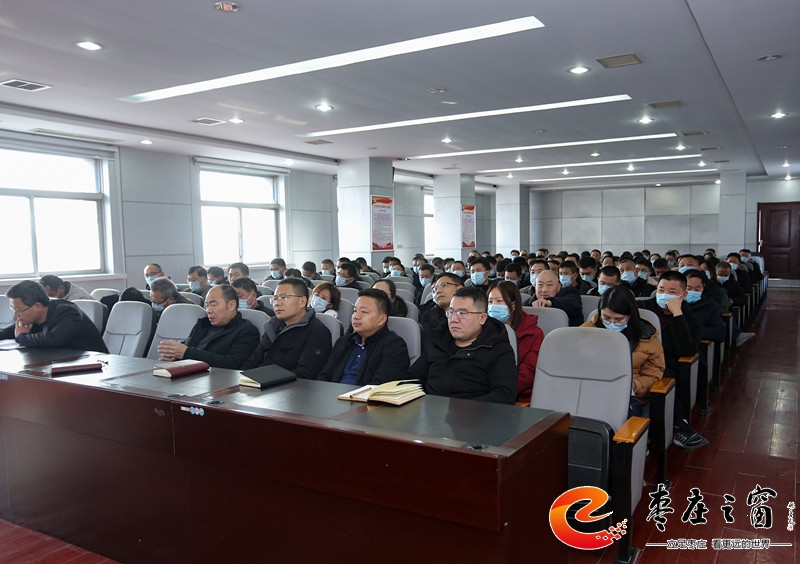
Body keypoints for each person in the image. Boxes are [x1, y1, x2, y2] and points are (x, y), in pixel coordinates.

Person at [406, 286, 517, 404]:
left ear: (482, 318)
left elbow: (504, 394)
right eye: (451, 312)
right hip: (429, 408)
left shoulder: (497, 348)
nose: (454, 319)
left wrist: (462, 408)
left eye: (461, 313)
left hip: (473, 411)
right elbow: (412, 379)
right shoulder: (437, 341)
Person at [641, 271, 707, 449]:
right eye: (661, 290)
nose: (664, 295)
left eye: (671, 292)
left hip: (668, 364)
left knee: (664, 375)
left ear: (683, 295)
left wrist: (677, 314)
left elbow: (686, 350)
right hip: (639, 360)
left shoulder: (690, 318)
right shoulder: (643, 309)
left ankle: (677, 425)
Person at [582, 286, 665, 416]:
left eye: (619, 319)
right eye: (606, 318)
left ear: (630, 315)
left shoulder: (647, 337)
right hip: (590, 390)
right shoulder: (585, 331)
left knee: (611, 414)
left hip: (628, 396)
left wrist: (634, 386)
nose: (612, 323)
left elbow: (654, 374)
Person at [241, 278, 332, 377]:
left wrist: (264, 379)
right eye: (275, 298)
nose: (277, 303)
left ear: (302, 301)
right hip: (262, 382)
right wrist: (242, 378)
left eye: (284, 297)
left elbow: (305, 375)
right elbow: (252, 361)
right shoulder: (272, 326)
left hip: (291, 385)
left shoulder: (318, 332)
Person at [317, 289, 409, 386]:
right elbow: (324, 376)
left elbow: (380, 386)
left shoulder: (394, 346)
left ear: (382, 320)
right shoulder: (343, 342)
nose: (356, 316)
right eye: (355, 311)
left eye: (364, 312)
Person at [156, 284, 260, 369]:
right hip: (189, 374)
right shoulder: (203, 324)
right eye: (207, 305)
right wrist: (175, 357)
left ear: (232, 305)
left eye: (213, 305)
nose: (209, 310)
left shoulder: (247, 331)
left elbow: (231, 363)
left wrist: (187, 353)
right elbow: (188, 346)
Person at [1, 280, 108, 352]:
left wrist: (22, 338)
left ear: (37, 306)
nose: (15, 315)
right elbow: (14, 330)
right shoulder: (34, 316)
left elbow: (54, 339)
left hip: (94, 366)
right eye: (13, 309)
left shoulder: (68, 312)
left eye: (18, 310)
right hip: (62, 363)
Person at [487, 281, 544, 403]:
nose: (493, 306)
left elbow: (527, 372)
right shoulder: (481, 331)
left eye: (499, 301)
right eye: (490, 302)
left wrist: (498, 392)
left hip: (515, 397)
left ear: (513, 305)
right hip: (482, 393)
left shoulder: (534, 334)